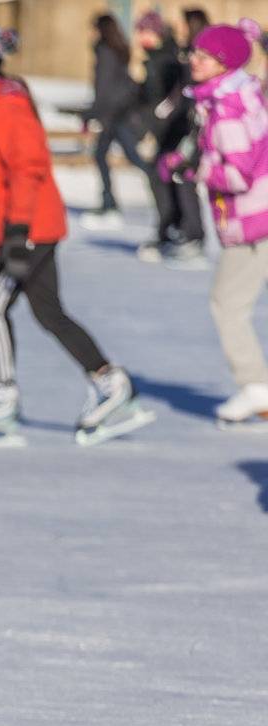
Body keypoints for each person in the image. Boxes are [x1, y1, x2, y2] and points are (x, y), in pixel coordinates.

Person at [0, 26, 153, 448]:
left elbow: (28, 173)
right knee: (48, 312)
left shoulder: (6, 110)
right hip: (22, 228)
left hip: (30, 226)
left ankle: (1, 394)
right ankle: (111, 383)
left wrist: (17, 232)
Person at [160, 19, 268, 428]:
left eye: (204, 56)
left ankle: (256, 385)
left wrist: (193, 169)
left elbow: (239, 175)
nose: (194, 61)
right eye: (194, 53)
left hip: (252, 221)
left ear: (224, 63)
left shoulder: (226, 109)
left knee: (227, 304)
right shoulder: (240, 94)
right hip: (262, 214)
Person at [135, 10, 205, 264]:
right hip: (170, 127)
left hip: (182, 129)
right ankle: (172, 230)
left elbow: (178, 97)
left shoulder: (172, 58)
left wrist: (155, 123)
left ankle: (188, 234)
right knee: (165, 179)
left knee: (180, 179)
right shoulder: (174, 55)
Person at [83, 13, 153, 231]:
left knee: (122, 156)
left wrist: (94, 114)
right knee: (107, 155)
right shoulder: (117, 48)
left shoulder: (105, 50)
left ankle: (161, 189)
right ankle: (108, 201)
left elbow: (104, 87)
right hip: (119, 109)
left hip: (113, 113)